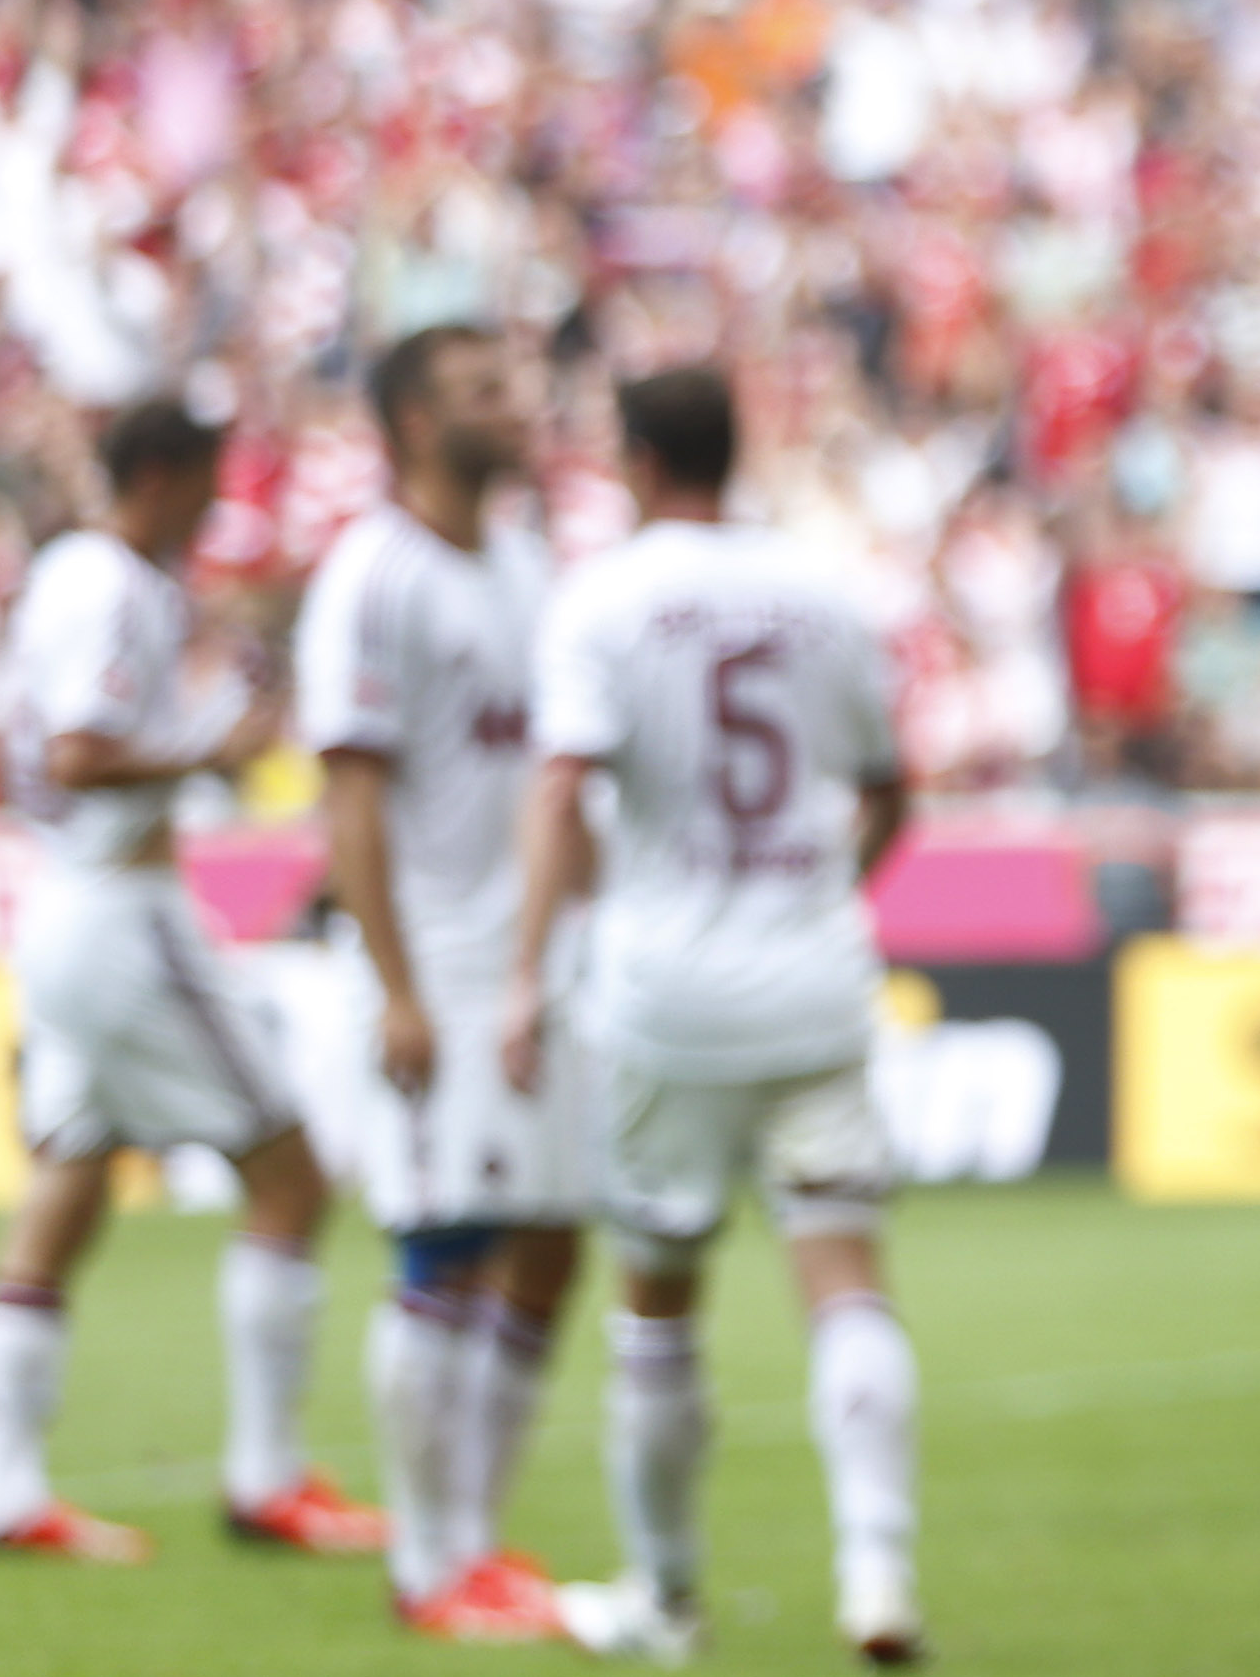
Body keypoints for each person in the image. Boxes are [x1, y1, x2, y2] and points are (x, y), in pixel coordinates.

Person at [501, 367, 924, 1666]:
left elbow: (559, 790)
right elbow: (890, 792)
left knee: (658, 1306)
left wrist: (524, 973)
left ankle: (665, 1598)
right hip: (813, 981)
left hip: (666, 995)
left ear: (635, 459)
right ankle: (877, 1575)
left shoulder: (602, 599)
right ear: (732, 451)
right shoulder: (821, 591)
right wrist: (819, 893)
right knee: (844, 1280)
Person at [0, 396, 385, 1563]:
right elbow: (78, 752)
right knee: (292, 1175)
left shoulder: (78, 578)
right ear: (160, 473)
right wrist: (215, 749)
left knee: (68, 1185)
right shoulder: (110, 585)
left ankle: (5, 1490)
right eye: (208, 477)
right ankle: (267, 1478)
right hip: (123, 917)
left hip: (64, 902)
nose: (216, 502)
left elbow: (33, 750)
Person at [295, 324, 586, 1638]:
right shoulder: (374, 576)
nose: (515, 405)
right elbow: (350, 798)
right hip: (434, 960)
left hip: (534, 963)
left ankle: (472, 1532)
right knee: (444, 1244)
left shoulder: (524, 563)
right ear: (416, 424)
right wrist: (396, 985)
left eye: (511, 383)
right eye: (482, 391)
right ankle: (426, 1565)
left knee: (550, 1239)